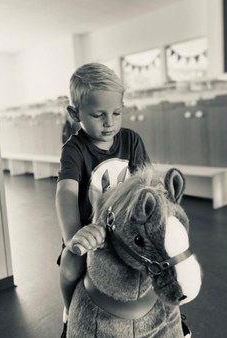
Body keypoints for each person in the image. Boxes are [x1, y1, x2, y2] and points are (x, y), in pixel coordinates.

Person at [56, 63, 150, 337]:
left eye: (117, 113)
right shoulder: (74, 149)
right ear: (75, 114)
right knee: (70, 264)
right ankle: (69, 310)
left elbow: (145, 184)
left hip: (127, 229)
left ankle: (172, 314)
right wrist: (74, 238)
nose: (110, 122)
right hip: (89, 230)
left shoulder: (131, 140)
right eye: (98, 115)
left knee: (161, 258)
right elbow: (66, 192)